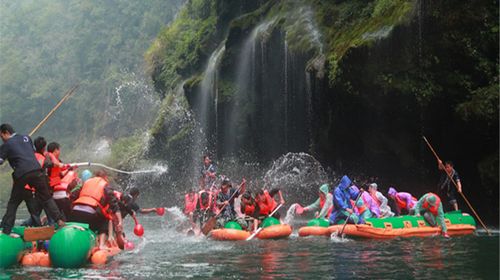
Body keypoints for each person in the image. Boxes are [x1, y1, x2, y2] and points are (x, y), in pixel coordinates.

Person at [0, 124, 65, 235]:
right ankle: (59, 220)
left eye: (1, 136)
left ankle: (6, 230)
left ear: (6, 132)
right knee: (47, 197)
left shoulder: (6, 145)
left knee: (13, 203)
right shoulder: (27, 138)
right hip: (36, 171)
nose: (2, 139)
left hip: (21, 174)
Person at [70, 170, 123, 249]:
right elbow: (114, 205)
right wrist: (120, 221)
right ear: (105, 177)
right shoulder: (105, 186)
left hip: (75, 212)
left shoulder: (86, 182)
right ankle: (101, 245)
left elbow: (73, 196)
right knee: (106, 218)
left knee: (94, 217)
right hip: (90, 214)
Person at [46, 142, 76, 220]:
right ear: (55, 150)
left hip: (53, 190)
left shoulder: (57, 161)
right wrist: (65, 168)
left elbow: (61, 174)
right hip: (48, 188)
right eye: (59, 150)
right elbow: (52, 168)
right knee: (50, 210)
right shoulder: (48, 159)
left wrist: (69, 168)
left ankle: (55, 223)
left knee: (55, 212)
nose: (59, 152)